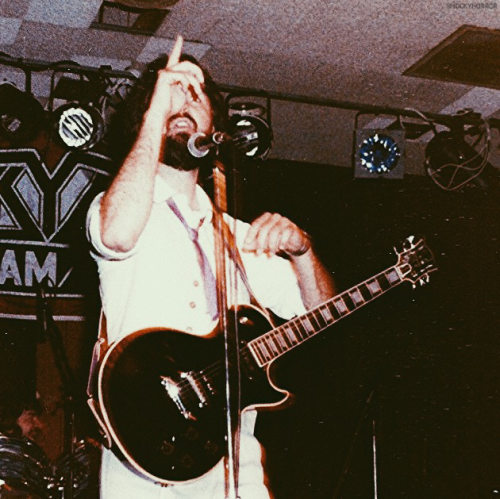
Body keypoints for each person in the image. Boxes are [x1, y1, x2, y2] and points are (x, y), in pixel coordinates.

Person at [86, 35, 335, 499]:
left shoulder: (241, 236)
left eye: (194, 96)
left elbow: (320, 313)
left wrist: (304, 252)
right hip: (144, 463)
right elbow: (116, 235)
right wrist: (158, 108)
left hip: (233, 463)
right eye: (170, 95)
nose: (182, 102)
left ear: (215, 125)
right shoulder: (119, 208)